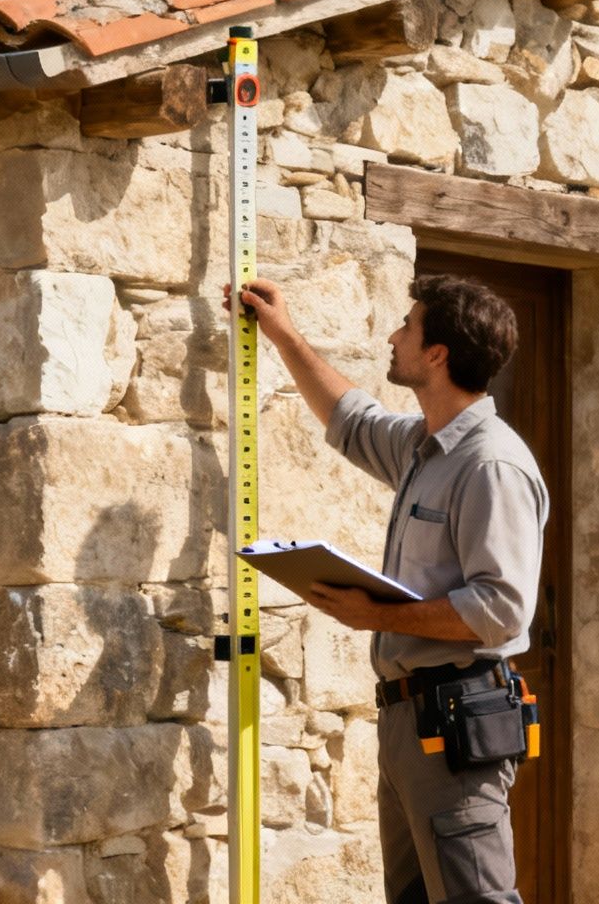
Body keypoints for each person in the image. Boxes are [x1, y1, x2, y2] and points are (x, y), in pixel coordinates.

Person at [230, 273, 546, 904]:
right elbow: (353, 419)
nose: (393, 336)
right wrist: (283, 334)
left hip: (458, 718)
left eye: (408, 326)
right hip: (408, 720)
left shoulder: (491, 465)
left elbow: (500, 611)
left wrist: (375, 615)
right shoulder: (423, 447)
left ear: (438, 354)